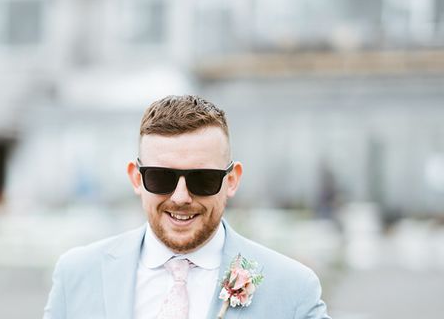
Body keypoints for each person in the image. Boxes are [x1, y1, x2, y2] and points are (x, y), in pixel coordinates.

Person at [44, 95, 331, 318]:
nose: (181, 196)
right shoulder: (76, 274)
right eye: (161, 177)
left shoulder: (293, 289)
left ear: (231, 180)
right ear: (136, 177)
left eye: (203, 179)